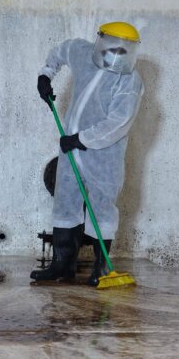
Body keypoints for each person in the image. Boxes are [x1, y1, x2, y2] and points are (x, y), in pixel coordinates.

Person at [30, 22, 145, 286]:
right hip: (70, 148)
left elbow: (118, 123)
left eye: (125, 49)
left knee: (102, 206)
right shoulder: (83, 53)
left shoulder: (130, 81)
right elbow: (61, 51)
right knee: (65, 202)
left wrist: (81, 139)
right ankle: (62, 265)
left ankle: (101, 267)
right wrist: (45, 75)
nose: (118, 53)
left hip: (103, 155)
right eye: (114, 46)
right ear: (101, 41)